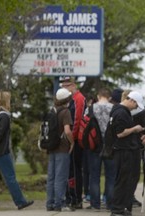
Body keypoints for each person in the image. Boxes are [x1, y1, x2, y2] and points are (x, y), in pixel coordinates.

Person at [0, 91, 34, 212]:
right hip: (0, 152)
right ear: (6, 101)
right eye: (9, 100)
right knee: (10, 177)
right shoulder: (4, 116)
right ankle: (20, 202)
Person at [110, 91, 145, 216]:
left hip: (123, 150)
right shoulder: (121, 112)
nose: (136, 108)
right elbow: (120, 133)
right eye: (136, 105)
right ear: (132, 101)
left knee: (125, 180)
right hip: (124, 150)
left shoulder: (118, 110)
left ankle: (121, 207)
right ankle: (117, 209)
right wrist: (135, 129)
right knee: (123, 180)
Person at [85, 88, 116, 211]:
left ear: (98, 96)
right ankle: (109, 203)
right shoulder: (113, 108)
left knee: (94, 176)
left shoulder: (91, 108)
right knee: (111, 176)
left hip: (94, 145)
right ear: (109, 97)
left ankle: (95, 204)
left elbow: (85, 124)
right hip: (110, 145)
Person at [46, 88, 75, 212]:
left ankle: (50, 203)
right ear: (66, 99)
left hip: (51, 147)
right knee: (61, 176)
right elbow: (67, 130)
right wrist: (72, 142)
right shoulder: (66, 112)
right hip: (62, 147)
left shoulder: (52, 111)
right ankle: (60, 203)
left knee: (51, 176)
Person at [60, 76, 86, 209]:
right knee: (69, 169)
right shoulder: (70, 99)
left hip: (75, 140)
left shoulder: (78, 98)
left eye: (67, 85)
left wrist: (73, 140)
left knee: (74, 170)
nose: (64, 87)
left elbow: (76, 119)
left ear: (73, 85)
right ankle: (71, 197)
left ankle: (76, 198)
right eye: (63, 85)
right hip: (68, 139)